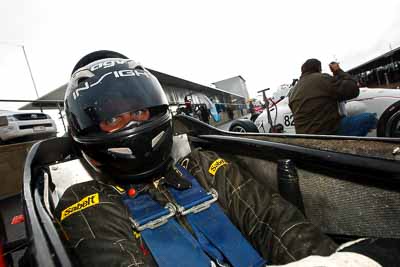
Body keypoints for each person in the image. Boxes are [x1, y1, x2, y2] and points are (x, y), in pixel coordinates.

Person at [55, 51, 397, 267]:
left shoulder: (204, 166)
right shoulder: (86, 201)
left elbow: (275, 223)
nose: (132, 124)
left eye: (140, 111)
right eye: (114, 118)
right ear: (86, 129)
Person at [289, 59, 377, 136]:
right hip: (328, 133)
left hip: (305, 136)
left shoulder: (292, 91)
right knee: (369, 118)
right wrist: (337, 71)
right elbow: (353, 89)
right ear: (319, 68)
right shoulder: (322, 78)